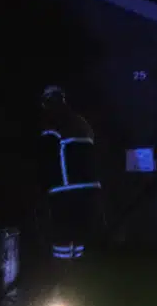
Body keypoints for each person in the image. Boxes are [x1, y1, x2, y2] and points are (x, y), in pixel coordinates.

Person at [34, 86, 105, 281]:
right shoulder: (82, 123)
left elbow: (46, 162)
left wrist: (42, 191)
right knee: (83, 242)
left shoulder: (51, 125)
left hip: (64, 194)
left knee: (62, 243)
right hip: (91, 193)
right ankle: (82, 284)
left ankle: (64, 284)